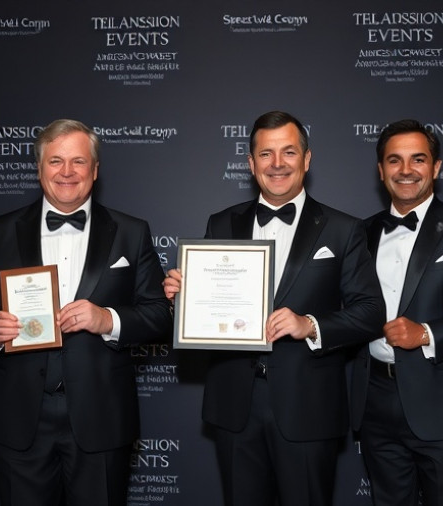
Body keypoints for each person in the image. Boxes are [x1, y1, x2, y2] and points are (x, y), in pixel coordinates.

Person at [163, 111, 384, 506]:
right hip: (235, 404)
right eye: (266, 154)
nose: (277, 164)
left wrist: (310, 324)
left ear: (307, 159)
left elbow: (370, 311)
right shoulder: (222, 222)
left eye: (288, 152)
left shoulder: (343, 228)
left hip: (307, 405)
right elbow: (209, 309)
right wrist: (184, 298)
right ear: (250, 164)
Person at [0, 119, 171, 506]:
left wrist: (109, 320)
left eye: (78, 161)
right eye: (56, 161)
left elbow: (159, 314)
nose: (67, 172)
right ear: (39, 169)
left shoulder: (131, 231)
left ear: (95, 170)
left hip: (101, 418)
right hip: (19, 418)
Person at [350, 119, 443, 505]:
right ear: (380, 169)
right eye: (394, 160)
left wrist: (426, 334)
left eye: (418, 159)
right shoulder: (360, 233)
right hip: (373, 400)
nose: (405, 170)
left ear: (436, 168)